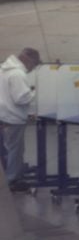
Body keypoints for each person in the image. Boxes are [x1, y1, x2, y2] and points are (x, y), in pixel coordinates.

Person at [0, 48, 41, 192]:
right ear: (28, 60)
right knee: (15, 151)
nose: (32, 68)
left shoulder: (4, 69)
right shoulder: (17, 73)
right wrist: (36, 92)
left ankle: (8, 176)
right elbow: (21, 98)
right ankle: (13, 180)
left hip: (3, 115)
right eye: (34, 65)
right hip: (13, 118)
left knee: (7, 149)